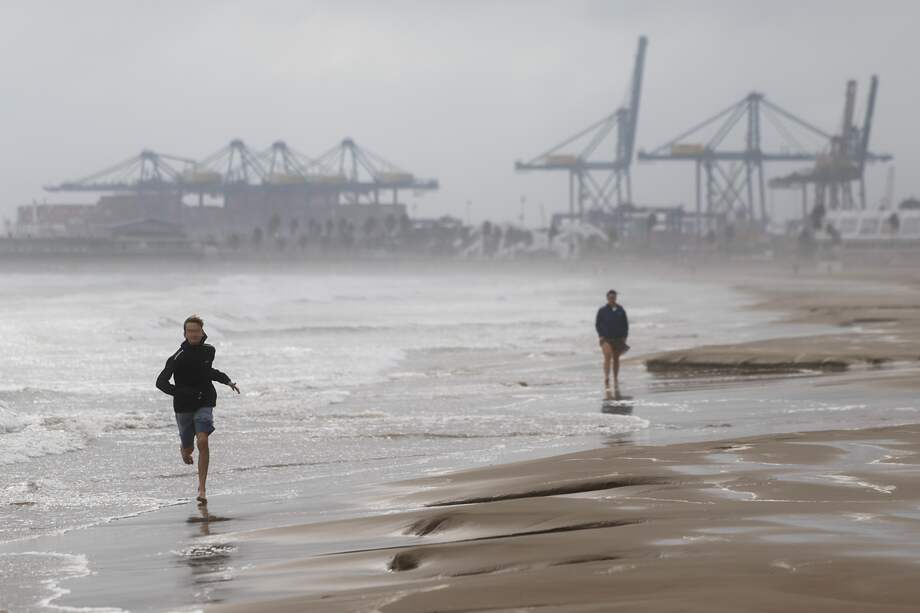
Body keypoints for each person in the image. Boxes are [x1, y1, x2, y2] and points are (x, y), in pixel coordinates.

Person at [156, 315, 239, 505]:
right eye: (190, 331)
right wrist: (181, 393)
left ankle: (202, 488)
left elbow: (207, 371)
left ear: (202, 332)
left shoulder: (209, 351)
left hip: (205, 399)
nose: (193, 334)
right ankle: (184, 450)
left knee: (203, 440)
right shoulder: (177, 357)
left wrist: (227, 380)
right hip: (184, 406)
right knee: (189, 447)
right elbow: (160, 383)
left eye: (196, 331)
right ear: (185, 334)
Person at [595, 290, 629, 389]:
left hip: (618, 338)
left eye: (613, 297)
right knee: (607, 357)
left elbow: (625, 324)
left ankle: (615, 378)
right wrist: (600, 335)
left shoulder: (620, 309)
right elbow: (598, 324)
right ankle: (606, 377)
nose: (612, 299)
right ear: (607, 298)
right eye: (610, 297)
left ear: (616, 298)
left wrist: (625, 336)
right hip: (606, 338)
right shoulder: (602, 310)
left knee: (616, 359)